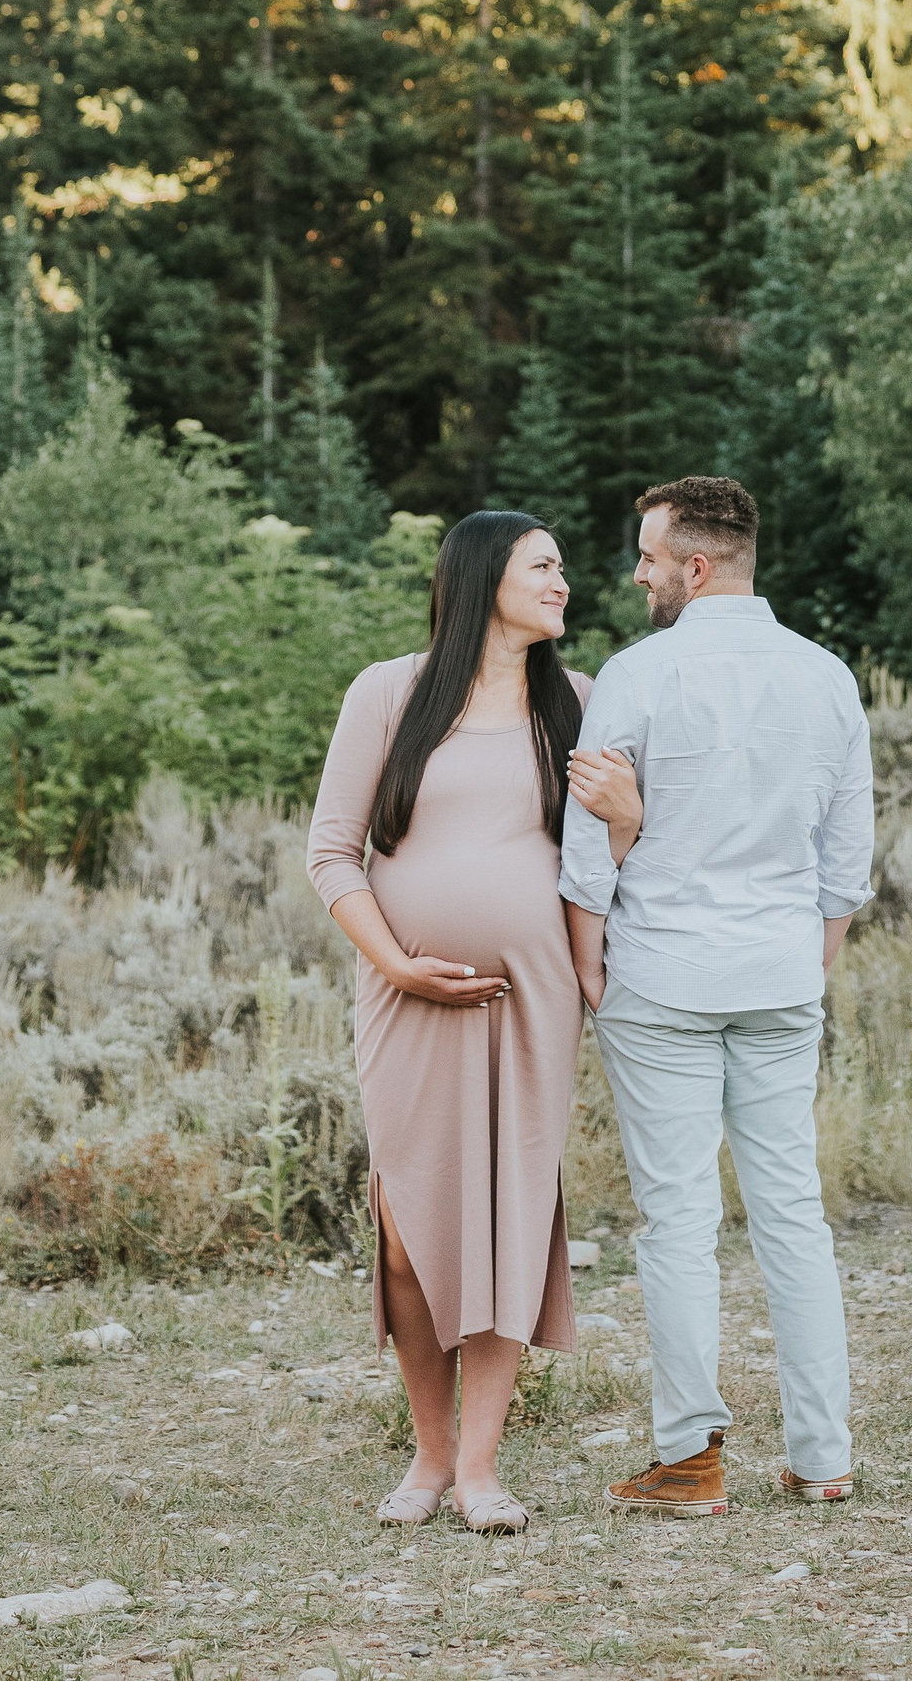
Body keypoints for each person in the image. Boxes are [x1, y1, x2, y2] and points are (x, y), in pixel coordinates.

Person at [306, 510, 640, 1532]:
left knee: (507, 1223)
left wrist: (629, 818)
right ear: (484, 575)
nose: (563, 581)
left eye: (562, 565)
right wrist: (396, 962)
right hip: (404, 998)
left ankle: (481, 1469)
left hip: (531, 1000)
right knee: (409, 1231)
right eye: (544, 564)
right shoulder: (389, 692)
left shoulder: (579, 700)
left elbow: (610, 859)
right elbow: (331, 852)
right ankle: (429, 1453)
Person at [560, 472, 873, 1518]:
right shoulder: (826, 675)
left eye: (649, 557)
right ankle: (822, 1455)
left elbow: (585, 851)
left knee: (678, 1219)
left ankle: (689, 1459)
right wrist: (808, 961)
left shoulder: (636, 673)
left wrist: (590, 966)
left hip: (661, 978)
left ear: (695, 566)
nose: (636, 573)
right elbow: (847, 856)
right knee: (793, 1212)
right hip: (780, 973)